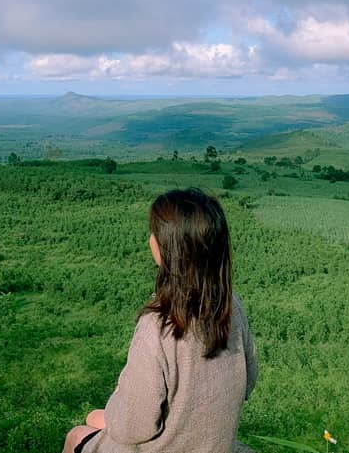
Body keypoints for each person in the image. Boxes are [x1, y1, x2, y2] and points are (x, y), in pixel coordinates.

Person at [63, 188, 258, 453]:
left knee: (78, 433)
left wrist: (120, 394)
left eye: (154, 231)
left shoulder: (158, 325)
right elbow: (248, 382)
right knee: (96, 418)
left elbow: (136, 427)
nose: (150, 237)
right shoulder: (232, 306)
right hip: (214, 445)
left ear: (167, 249)